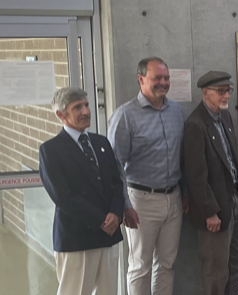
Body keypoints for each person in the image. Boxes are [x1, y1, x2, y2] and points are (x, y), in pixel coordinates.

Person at [108, 57, 188, 295]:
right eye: (157, 78)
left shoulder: (176, 111)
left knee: (167, 265)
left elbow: (181, 156)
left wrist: (184, 192)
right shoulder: (125, 115)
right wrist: (124, 205)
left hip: (173, 199)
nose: (163, 83)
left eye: (166, 78)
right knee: (140, 266)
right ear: (141, 79)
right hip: (141, 201)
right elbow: (114, 165)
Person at [40, 87, 124, 295]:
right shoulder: (51, 150)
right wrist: (101, 220)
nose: (86, 111)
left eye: (86, 105)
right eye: (77, 107)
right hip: (77, 237)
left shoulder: (101, 142)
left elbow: (116, 183)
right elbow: (63, 197)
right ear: (61, 115)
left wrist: (116, 214)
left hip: (109, 235)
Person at [183, 71, 238, 295]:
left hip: (233, 201)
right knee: (216, 269)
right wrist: (210, 212)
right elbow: (195, 175)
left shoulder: (225, 117)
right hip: (215, 209)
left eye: (228, 90)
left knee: (235, 262)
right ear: (205, 93)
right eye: (221, 91)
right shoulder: (196, 125)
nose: (226, 95)